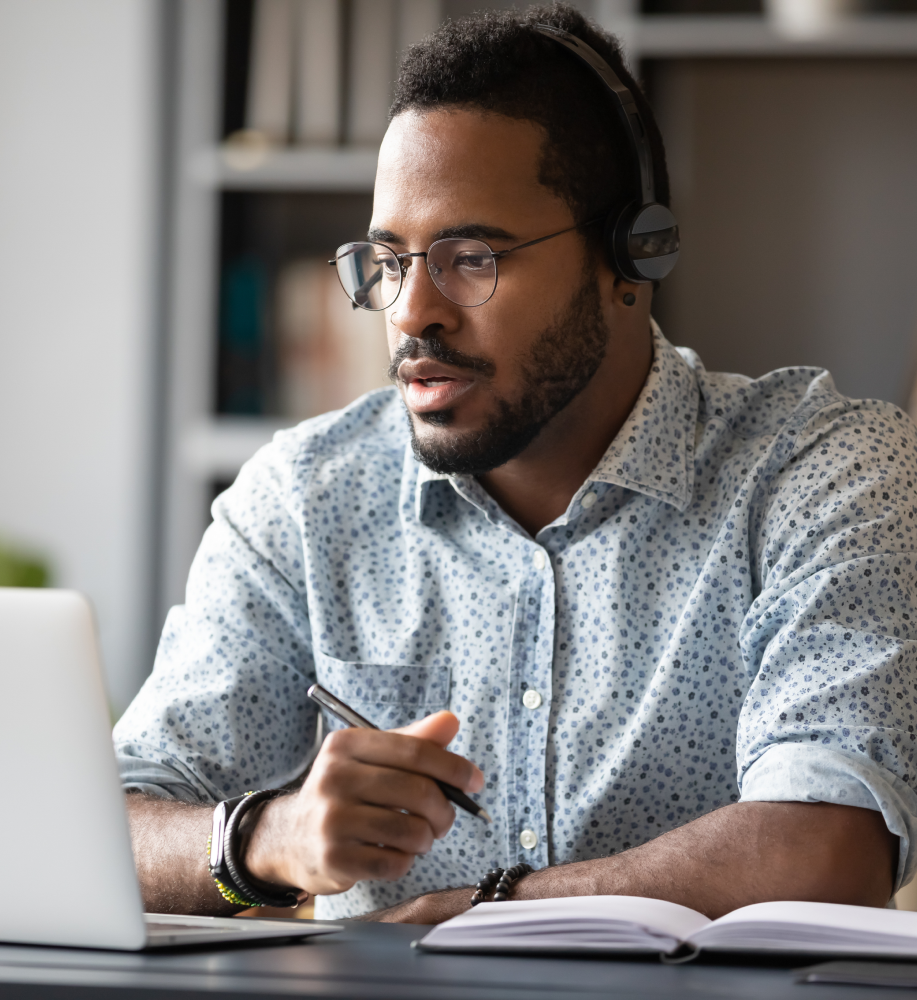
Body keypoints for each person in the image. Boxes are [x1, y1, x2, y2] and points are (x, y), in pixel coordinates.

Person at [115, 3, 915, 924]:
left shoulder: (820, 471)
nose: (413, 313)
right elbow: (111, 828)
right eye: (388, 260)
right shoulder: (305, 500)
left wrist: (489, 908)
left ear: (632, 254)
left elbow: (827, 846)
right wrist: (267, 839)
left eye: (470, 257)